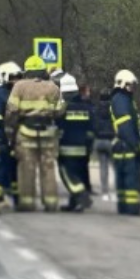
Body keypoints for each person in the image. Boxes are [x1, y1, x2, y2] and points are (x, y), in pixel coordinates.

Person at [5, 55, 65, 212]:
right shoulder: (53, 87)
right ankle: (51, 203)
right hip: (48, 133)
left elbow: (11, 111)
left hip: (25, 133)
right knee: (48, 168)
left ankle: (27, 202)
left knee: (26, 167)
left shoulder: (19, 86)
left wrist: (10, 132)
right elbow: (59, 111)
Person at [110, 69, 140, 216]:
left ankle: (124, 207)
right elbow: (125, 127)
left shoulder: (122, 99)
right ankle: (132, 208)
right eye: (130, 85)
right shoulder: (121, 100)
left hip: (122, 146)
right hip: (127, 147)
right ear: (122, 84)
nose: (132, 89)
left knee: (123, 179)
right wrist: (136, 145)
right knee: (131, 178)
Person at [56, 73, 94, 212]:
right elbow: (92, 128)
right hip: (83, 149)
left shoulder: (63, 109)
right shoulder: (87, 107)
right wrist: (89, 147)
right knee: (79, 173)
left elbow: (58, 127)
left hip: (67, 148)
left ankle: (81, 195)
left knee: (66, 174)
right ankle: (74, 203)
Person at [0, 62, 23, 210]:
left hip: (16, 137)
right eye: (12, 77)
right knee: (0, 167)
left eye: (18, 77)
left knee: (14, 168)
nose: (15, 80)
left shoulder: (19, 94)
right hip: (2, 138)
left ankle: (16, 197)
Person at [92, 88, 115, 201]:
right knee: (115, 167)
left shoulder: (95, 110)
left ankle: (104, 191)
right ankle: (115, 191)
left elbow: (93, 125)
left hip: (99, 140)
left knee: (103, 167)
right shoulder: (113, 110)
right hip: (111, 140)